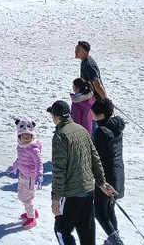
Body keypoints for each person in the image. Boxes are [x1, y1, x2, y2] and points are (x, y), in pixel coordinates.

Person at [47, 99, 112, 245]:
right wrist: (101, 182)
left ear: (56, 116)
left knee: (61, 230)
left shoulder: (60, 136)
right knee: (86, 231)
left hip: (72, 193)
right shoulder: (82, 130)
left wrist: (55, 198)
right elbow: (95, 157)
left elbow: (59, 170)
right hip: (88, 190)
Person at [91, 98, 126, 245]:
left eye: (93, 113)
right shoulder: (115, 127)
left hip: (106, 177)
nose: (91, 115)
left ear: (100, 115)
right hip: (118, 174)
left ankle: (116, 242)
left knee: (99, 211)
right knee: (109, 209)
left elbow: (96, 157)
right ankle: (113, 240)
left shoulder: (101, 131)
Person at [5, 118, 43, 229]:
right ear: (19, 137)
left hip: (30, 177)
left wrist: (39, 175)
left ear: (32, 136)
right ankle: (32, 211)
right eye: (23, 136)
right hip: (22, 174)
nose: (26, 139)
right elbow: (20, 160)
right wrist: (14, 166)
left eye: (28, 136)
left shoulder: (34, 150)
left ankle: (31, 218)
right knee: (21, 195)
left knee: (27, 198)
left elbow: (39, 163)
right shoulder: (20, 147)